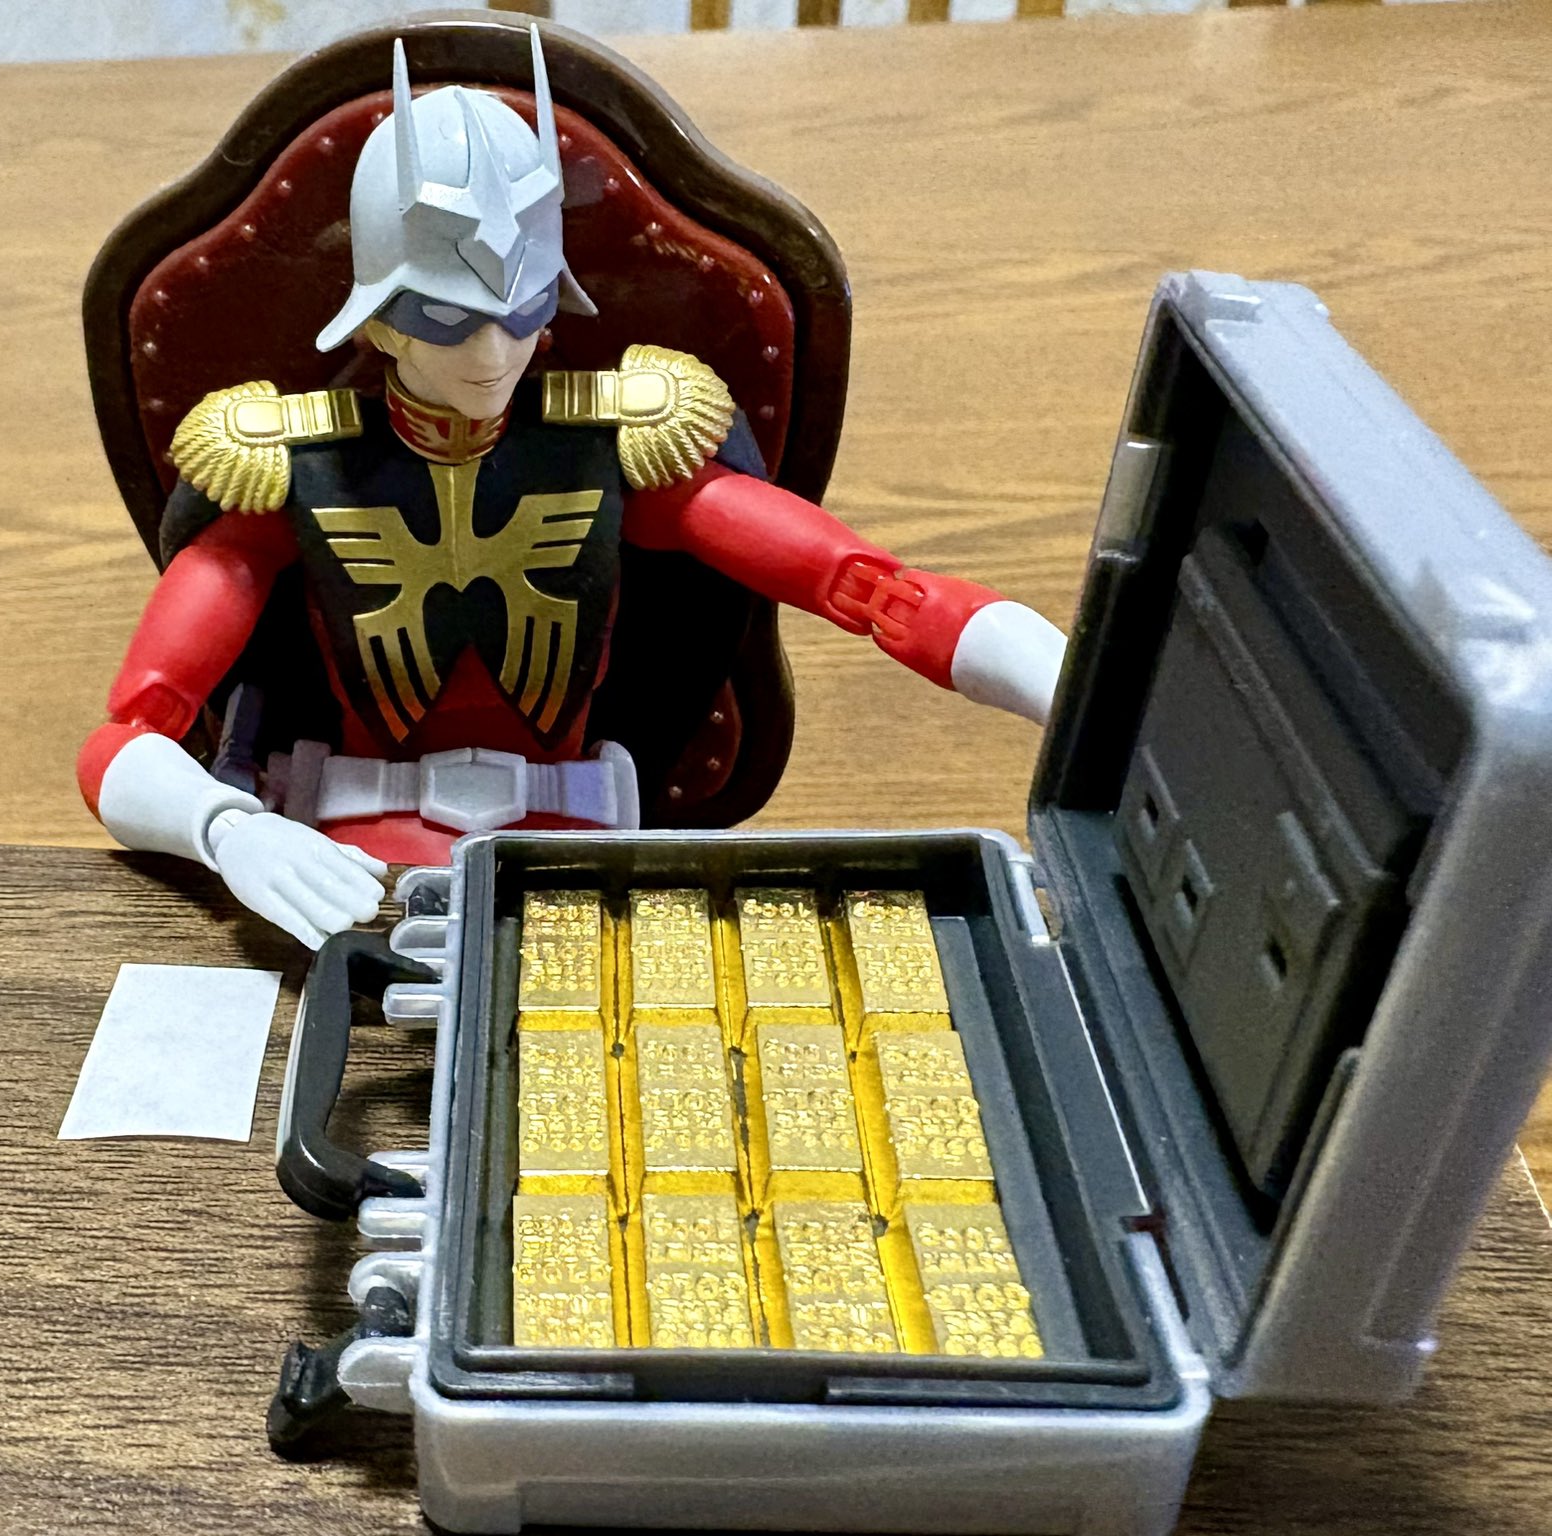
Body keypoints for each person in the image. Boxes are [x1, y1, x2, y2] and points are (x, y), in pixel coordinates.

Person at [79, 31, 1065, 948]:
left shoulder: (608, 450)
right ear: (375, 319)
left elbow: (864, 586)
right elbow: (127, 734)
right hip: (348, 866)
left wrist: (1066, 686)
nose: (490, 352)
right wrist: (226, 830)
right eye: (443, 316)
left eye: (522, 309)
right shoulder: (295, 471)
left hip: (578, 860)